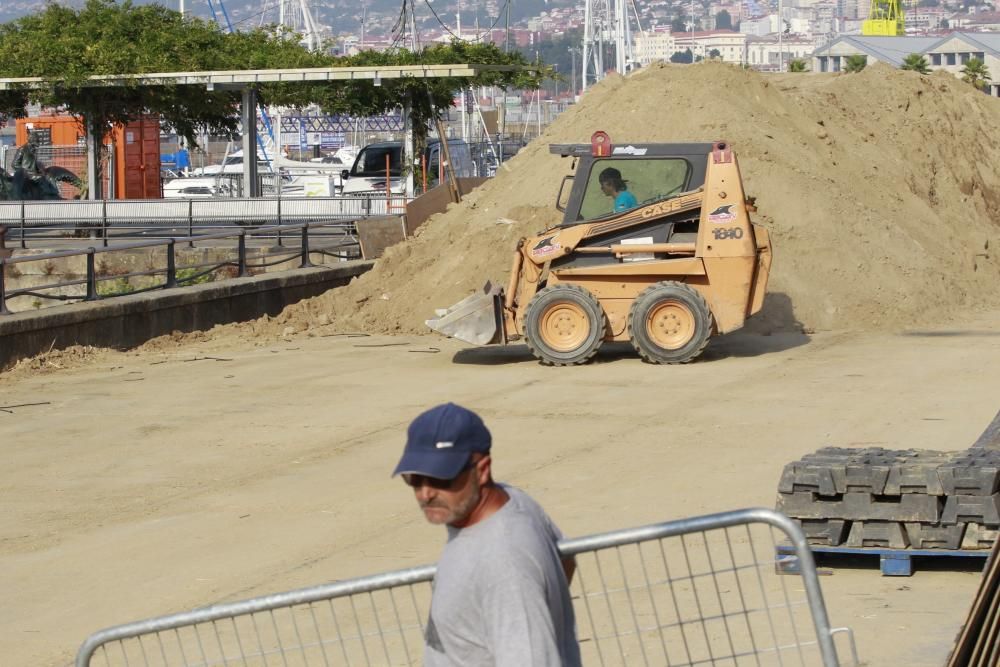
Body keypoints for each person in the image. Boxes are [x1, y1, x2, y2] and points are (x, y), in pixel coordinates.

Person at [393, 402, 581, 667]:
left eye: (442, 479)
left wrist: (524, 600)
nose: (426, 493)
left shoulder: (505, 565)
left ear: (481, 471)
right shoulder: (514, 501)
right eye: (414, 478)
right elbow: (566, 559)